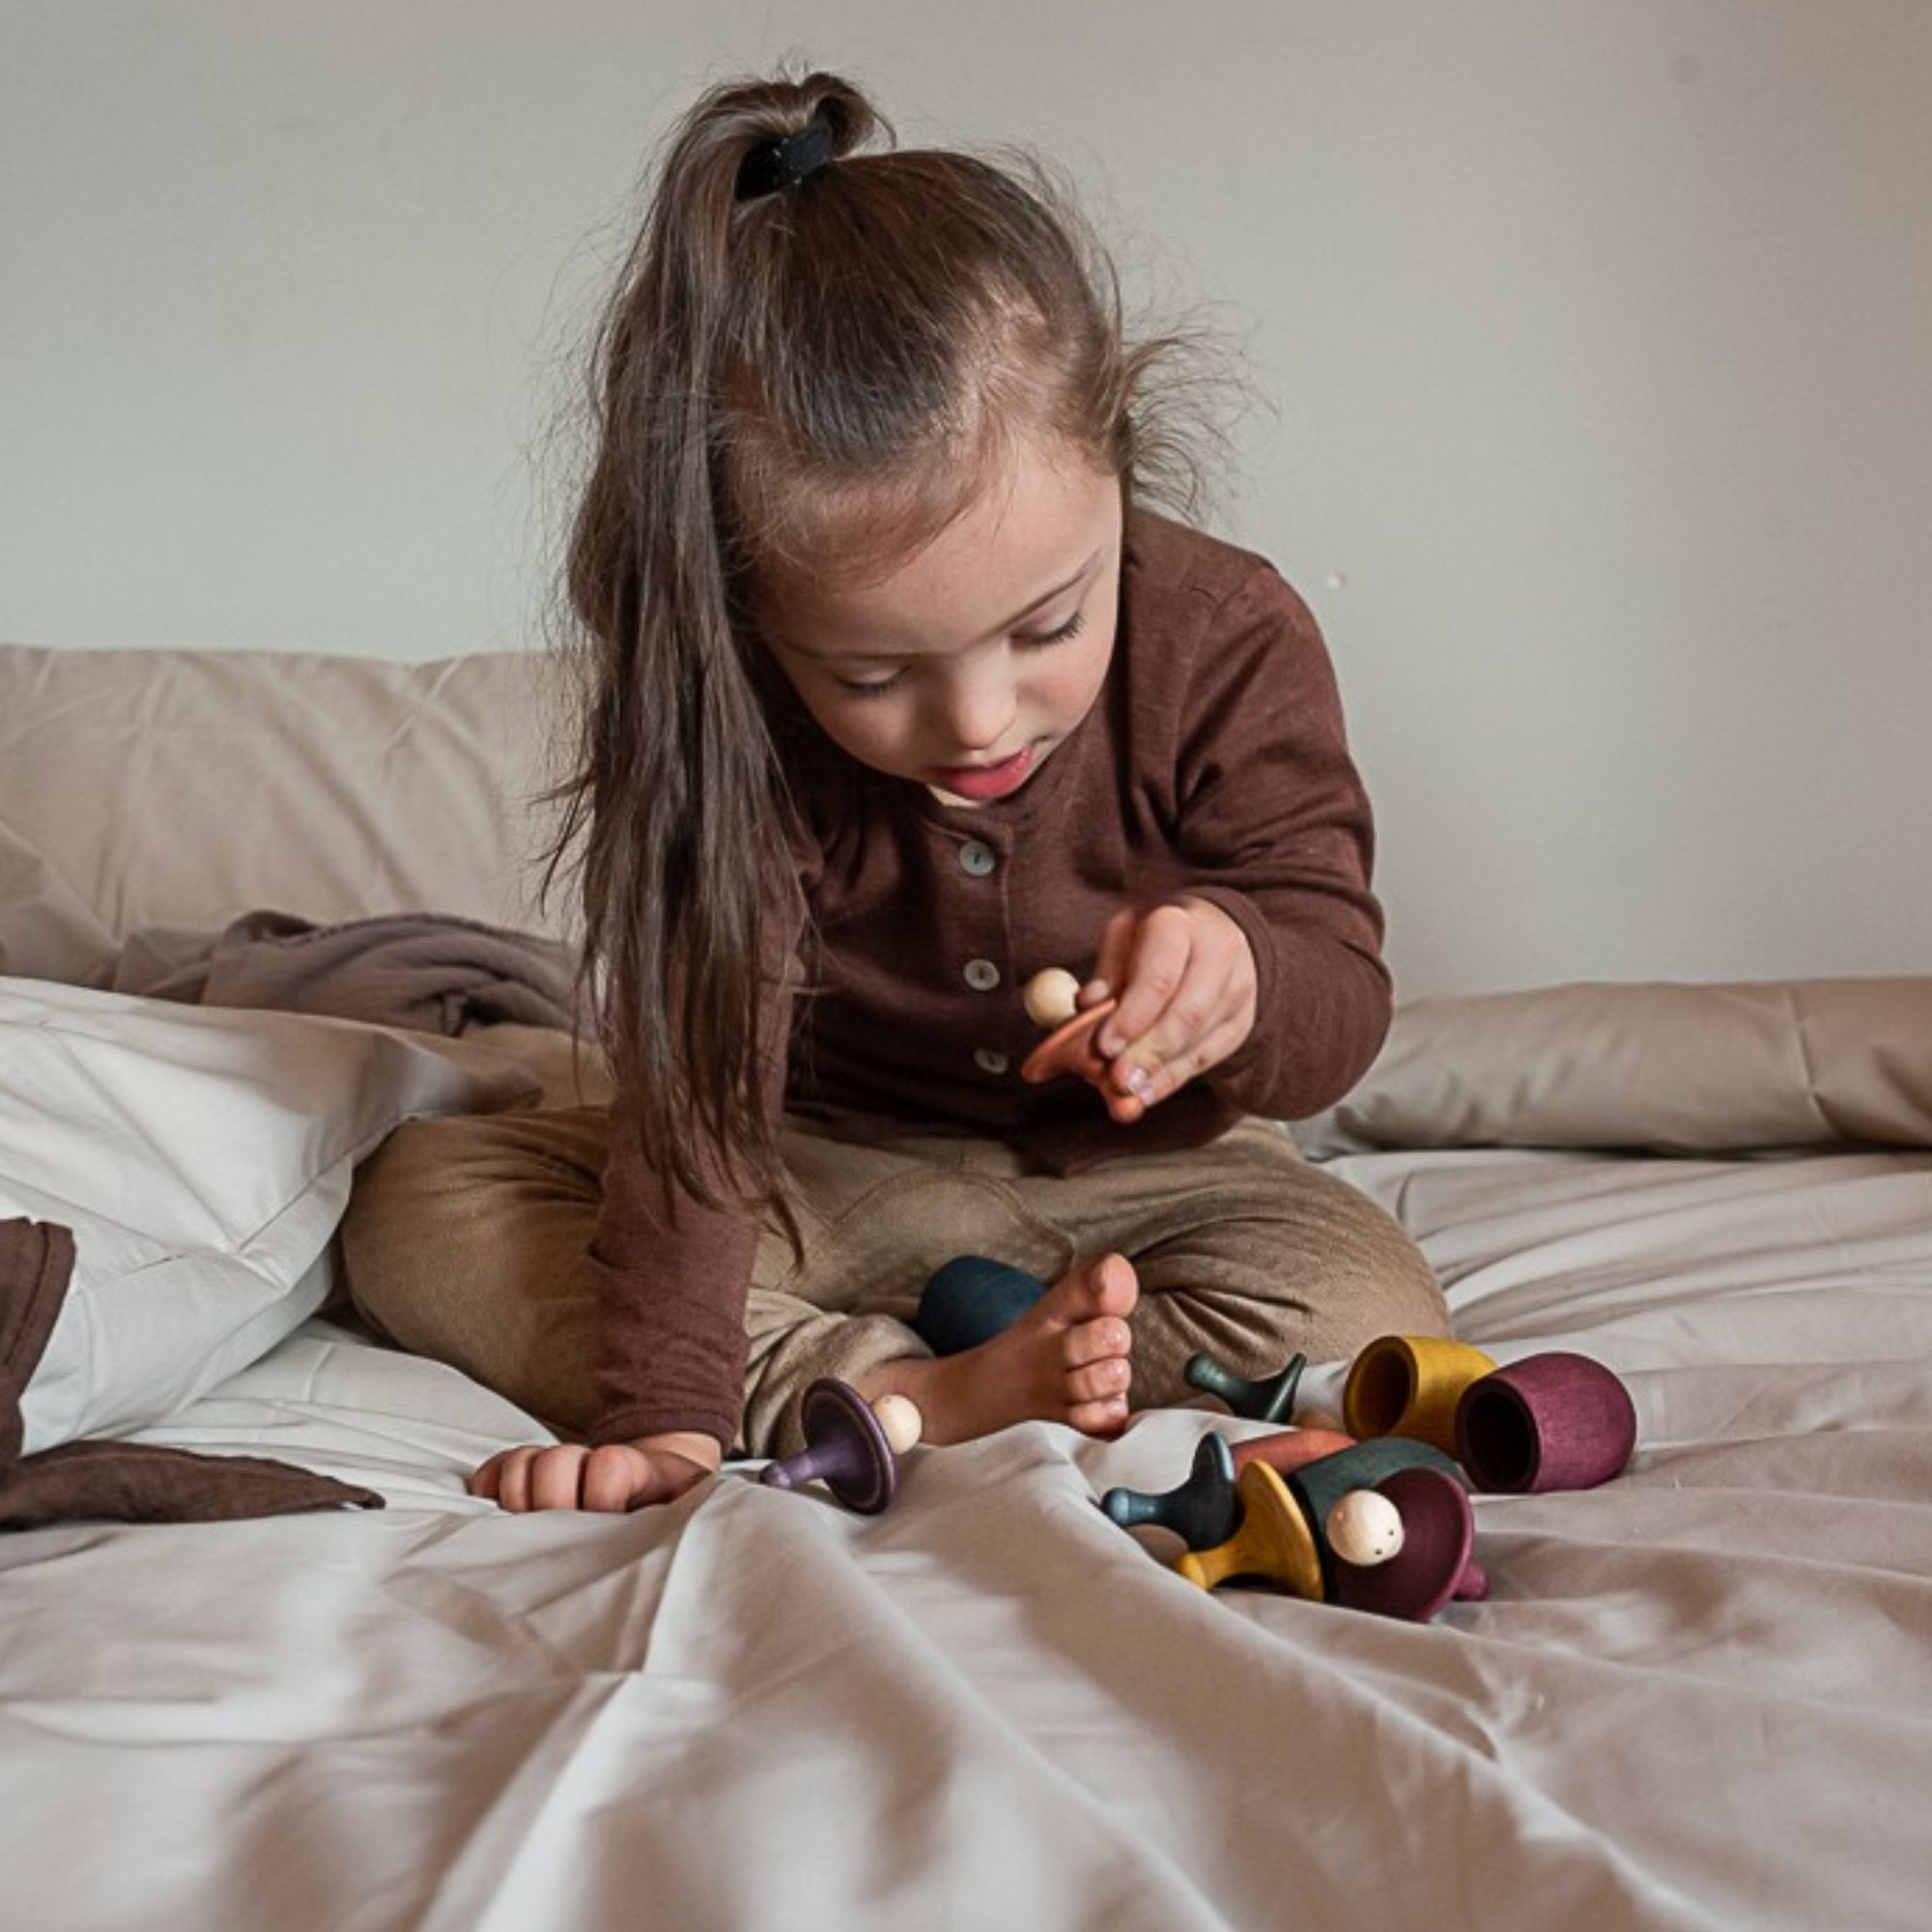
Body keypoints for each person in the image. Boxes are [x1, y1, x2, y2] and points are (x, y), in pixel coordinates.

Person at [338, 69, 1449, 1513]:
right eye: (872, 676)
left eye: (1047, 628)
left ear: (1117, 459)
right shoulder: (726, 713)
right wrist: (668, 1420)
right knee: (419, 1214)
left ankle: (927, 1385)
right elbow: (703, 1121)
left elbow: (1340, 1004)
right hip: (823, 1167)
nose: (978, 719)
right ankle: (905, 1390)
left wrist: (1242, 979)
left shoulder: (1227, 633)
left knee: (1367, 1313)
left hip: (1161, 1178)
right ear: (754, 618)